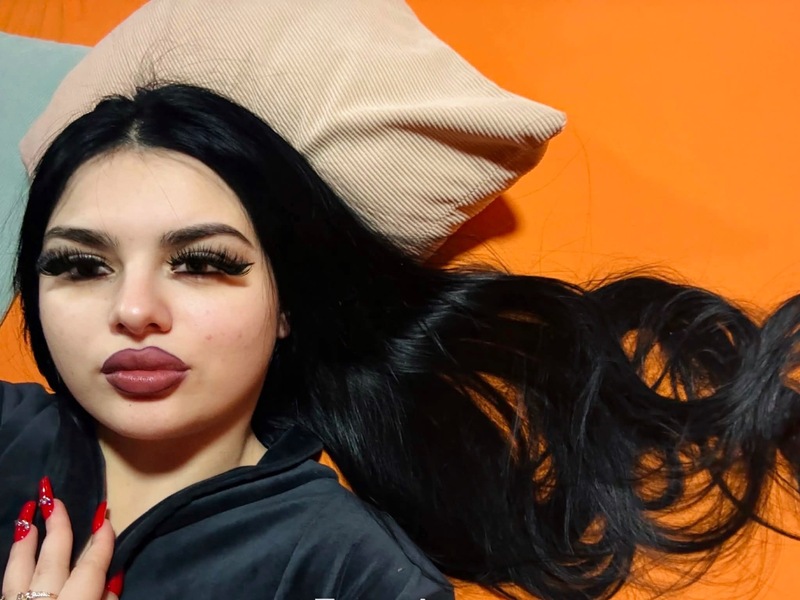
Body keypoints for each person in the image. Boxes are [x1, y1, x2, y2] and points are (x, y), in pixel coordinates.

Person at [1, 83, 799, 600]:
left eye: (204, 263)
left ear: (287, 304)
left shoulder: (354, 575)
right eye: (79, 265)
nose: (134, 309)